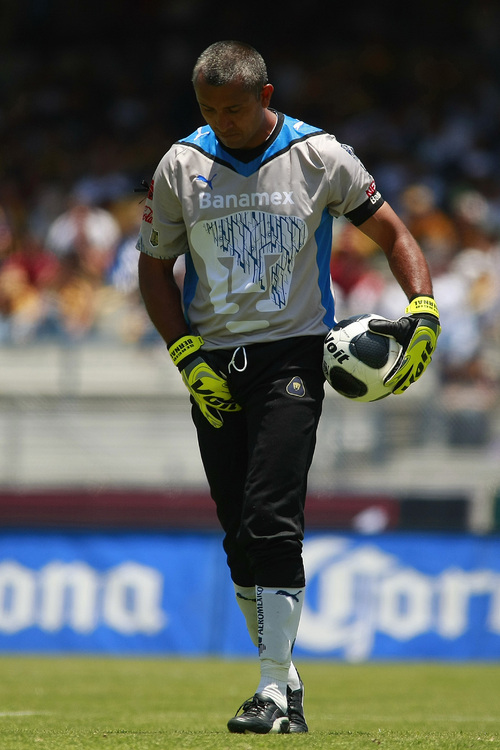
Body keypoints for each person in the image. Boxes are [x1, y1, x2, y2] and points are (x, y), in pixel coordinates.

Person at [136, 40, 441, 734]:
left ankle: (273, 691)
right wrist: (185, 356)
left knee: (272, 517)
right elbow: (153, 270)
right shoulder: (179, 166)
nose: (222, 122)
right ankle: (286, 680)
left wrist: (423, 308)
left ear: (265, 97)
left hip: (293, 357)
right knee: (237, 535)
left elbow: (394, 234)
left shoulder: (319, 156)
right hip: (213, 363)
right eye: (209, 109)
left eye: (234, 109)